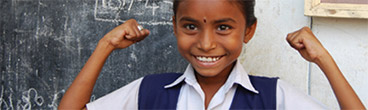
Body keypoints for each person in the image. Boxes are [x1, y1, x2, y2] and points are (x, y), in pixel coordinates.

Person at [58, 0, 366, 109]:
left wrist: (323, 59)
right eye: (191, 26)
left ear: (248, 30)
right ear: (175, 27)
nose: (206, 44)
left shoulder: (272, 97)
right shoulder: (150, 92)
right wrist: (105, 46)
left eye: (223, 27)